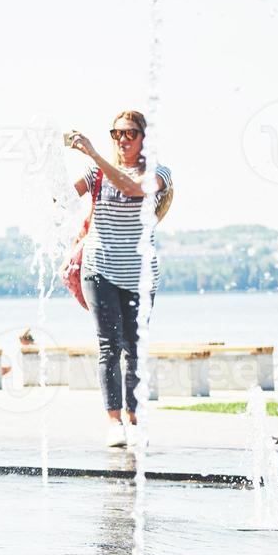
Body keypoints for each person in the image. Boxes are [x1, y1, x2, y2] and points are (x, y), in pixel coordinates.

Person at [67, 111, 173, 449]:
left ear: (144, 137)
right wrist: (51, 172)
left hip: (139, 274)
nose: (122, 140)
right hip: (98, 268)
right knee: (109, 346)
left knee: (134, 348)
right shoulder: (96, 172)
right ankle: (114, 422)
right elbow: (66, 199)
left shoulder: (159, 173)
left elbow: (132, 187)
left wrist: (95, 153)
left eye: (129, 133)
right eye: (116, 134)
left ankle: (134, 418)